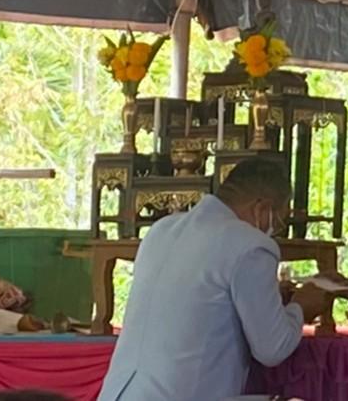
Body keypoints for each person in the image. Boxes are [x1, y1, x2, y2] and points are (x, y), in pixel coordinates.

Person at [97, 158, 329, 401]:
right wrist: (301, 307)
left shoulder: (160, 230)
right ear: (262, 209)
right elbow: (273, 348)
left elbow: (202, 305)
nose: (276, 230)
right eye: (280, 220)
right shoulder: (251, 244)